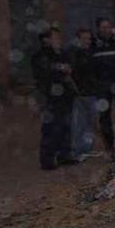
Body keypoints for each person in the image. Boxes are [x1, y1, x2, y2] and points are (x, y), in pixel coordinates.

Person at [31, 28, 76, 170]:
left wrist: (67, 69)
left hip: (65, 96)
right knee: (50, 128)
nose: (59, 40)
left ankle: (64, 155)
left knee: (65, 127)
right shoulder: (40, 55)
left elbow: (69, 67)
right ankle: (47, 159)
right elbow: (43, 73)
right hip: (50, 97)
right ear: (47, 40)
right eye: (56, 37)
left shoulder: (63, 53)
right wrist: (58, 68)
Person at [90, 18, 115, 158]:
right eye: (103, 27)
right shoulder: (93, 45)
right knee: (105, 118)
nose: (106, 30)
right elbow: (91, 68)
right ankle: (109, 148)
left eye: (108, 27)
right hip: (102, 88)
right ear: (98, 29)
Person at [69, 29, 99, 160]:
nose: (87, 41)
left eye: (88, 38)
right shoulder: (73, 54)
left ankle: (86, 149)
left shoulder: (91, 53)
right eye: (84, 38)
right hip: (79, 94)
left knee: (90, 124)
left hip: (92, 93)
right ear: (78, 39)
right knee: (78, 123)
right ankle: (76, 151)